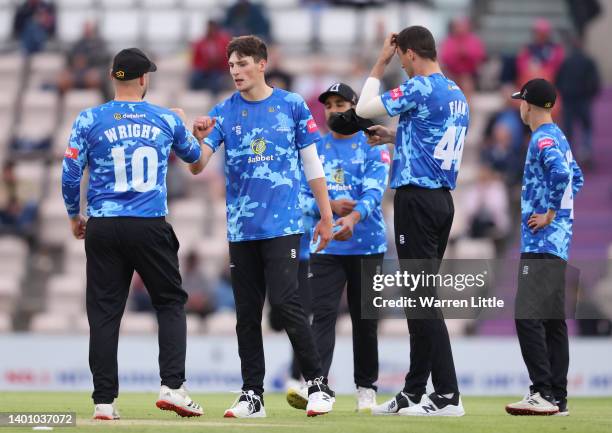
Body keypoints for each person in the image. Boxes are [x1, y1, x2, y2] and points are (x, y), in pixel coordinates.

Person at [188, 35, 336, 418]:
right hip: (241, 229)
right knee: (246, 313)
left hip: (284, 225)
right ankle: (252, 394)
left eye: (242, 64)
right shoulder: (222, 112)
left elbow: (312, 166)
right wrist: (196, 139)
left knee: (287, 304)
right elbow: (197, 165)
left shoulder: (291, 106)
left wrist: (326, 214)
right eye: (231, 65)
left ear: (261, 64)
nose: (235, 71)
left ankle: (317, 384)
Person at [61, 47, 212, 420]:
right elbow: (195, 157)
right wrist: (187, 125)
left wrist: (73, 216)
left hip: (103, 224)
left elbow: (68, 174)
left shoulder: (89, 118)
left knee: (105, 312)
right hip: (148, 223)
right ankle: (173, 387)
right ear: (144, 79)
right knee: (170, 303)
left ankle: (104, 402)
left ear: (115, 77)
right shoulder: (164, 118)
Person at [355, 25, 468, 416]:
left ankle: (448, 394)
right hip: (440, 201)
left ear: (409, 53)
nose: (400, 64)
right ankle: (415, 391)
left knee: (420, 299)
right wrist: (395, 138)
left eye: (400, 56)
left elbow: (362, 109)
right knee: (419, 300)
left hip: (416, 202)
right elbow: (430, 136)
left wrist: (378, 61)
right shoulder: (455, 92)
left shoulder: (421, 85)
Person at [286, 82, 389, 413]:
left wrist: (352, 218)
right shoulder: (315, 148)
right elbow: (302, 194)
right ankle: (317, 386)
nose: (333, 110)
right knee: (323, 318)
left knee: (365, 319)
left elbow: (375, 191)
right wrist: (328, 207)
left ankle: (366, 388)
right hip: (327, 247)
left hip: (367, 245)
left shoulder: (372, 142)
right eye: (329, 105)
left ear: (355, 107)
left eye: (340, 104)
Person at [505, 78, 583, 416]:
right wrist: (561, 217)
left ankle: (541, 392)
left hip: (541, 241)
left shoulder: (542, 138)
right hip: (558, 243)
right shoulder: (559, 136)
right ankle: (557, 398)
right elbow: (575, 177)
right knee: (553, 321)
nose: (519, 106)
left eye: (521, 101)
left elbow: (563, 174)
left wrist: (550, 213)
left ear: (529, 104)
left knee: (527, 315)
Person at [555, 37, 601, 168]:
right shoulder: (588, 61)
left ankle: (567, 157)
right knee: (586, 128)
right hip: (583, 99)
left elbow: (558, 80)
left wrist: (564, 93)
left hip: (570, 100)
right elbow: (595, 81)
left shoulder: (566, 62)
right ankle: (586, 154)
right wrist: (590, 94)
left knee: (569, 130)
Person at [57, 21, 111, 99]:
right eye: (85, 27)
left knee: (95, 78)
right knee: (63, 80)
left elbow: (105, 60)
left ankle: (104, 106)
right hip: (77, 72)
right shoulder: (78, 43)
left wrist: (88, 61)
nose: (86, 30)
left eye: (88, 28)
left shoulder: (100, 44)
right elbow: (70, 58)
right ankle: (61, 107)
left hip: (94, 72)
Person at [440, 17, 485, 100]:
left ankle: (466, 104)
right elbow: (445, 58)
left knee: (466, 81)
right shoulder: (448, 41)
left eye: (462, 26)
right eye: (458, 26)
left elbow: (479, 57)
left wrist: (466, 55)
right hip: (452, 73)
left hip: (470, 74)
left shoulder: (474, 40)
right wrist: (457, 55)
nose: (460, 29)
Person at [189, 19, 232, 94]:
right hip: (204, 69)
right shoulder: (200, 42)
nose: (210, 30)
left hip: (219, 69)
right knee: (195, 79)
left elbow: (227, 58)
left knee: (215, 81)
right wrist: (205, 64)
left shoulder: (224, 41)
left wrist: (218, 62)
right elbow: (196, 60)